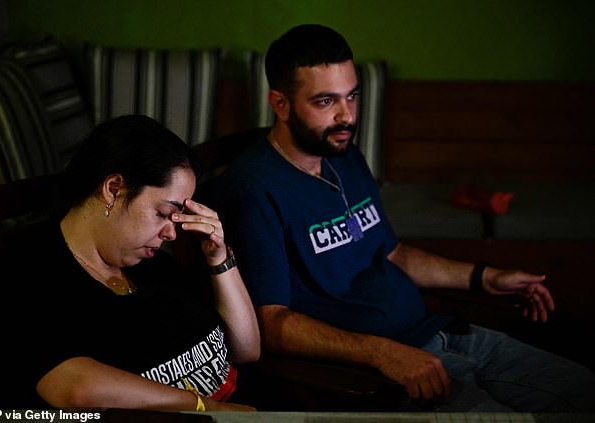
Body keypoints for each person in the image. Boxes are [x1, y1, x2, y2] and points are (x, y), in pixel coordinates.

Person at [213, 24, 595, 412]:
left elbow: (394, 254)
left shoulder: (342, 155)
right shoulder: (253, 190)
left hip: (441, 332)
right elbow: (272, 322)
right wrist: (383, 354)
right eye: (326, 102)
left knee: (582, 389)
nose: (346, 117)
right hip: (382, 368)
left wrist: (484, 277)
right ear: (280, 104)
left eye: (352, 96)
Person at [0, 114, 260, 412]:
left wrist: (219, 258)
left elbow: (247, 350)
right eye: (163, 213)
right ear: (114, 188)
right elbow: (76, 387)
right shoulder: (35, 271)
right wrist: (203, 408)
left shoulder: (152, 263)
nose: (172, 233)